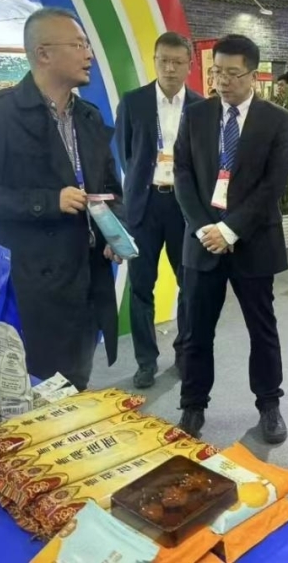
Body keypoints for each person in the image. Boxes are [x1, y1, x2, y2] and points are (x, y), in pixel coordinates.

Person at [0, 7, 124, 391]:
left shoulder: (89, 117)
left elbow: (111, 189)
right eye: (79, 45)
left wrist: (117, 231)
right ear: (43, 53)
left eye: (87, 45)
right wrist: (47, 202)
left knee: (76, 384)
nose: (89, 54)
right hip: (31, 286)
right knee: (36, 390)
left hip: (86, 278)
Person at [173, 34, 288, 444]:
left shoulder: (277, 120)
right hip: (202, 239)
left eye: (233, 73)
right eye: (216, 72)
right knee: (196, 330)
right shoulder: (196, 115)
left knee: (262, 329)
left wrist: (230, 230)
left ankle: (269, 404)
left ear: (253, 75)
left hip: (252, 241)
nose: (222, 81)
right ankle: (193, 405)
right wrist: (204, 228)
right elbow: (183, 174)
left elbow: (272, 185)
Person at [114, 32, 204, 389]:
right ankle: (145, 361)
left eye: (177, 62)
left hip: (184, 208)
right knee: (140, 287)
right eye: (163, 61)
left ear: (189, 65)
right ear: (154, 61)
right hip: (145, 205)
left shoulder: (201, 107)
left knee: (189, 284)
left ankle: (184, 353)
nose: (170, 68)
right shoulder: (133, 102)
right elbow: (126, 154)